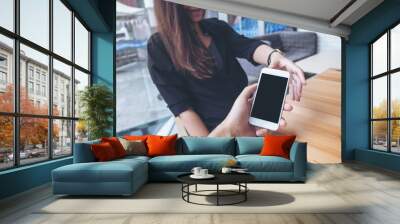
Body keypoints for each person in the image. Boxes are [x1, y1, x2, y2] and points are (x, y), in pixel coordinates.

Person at [147, 0, 306, 137]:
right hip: (217, 133)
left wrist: (275, 57)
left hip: (252, 120)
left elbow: (248, 46)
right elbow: (184, 110)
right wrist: (216, 144)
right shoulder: (159, 47)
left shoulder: (216, 28)